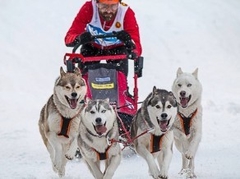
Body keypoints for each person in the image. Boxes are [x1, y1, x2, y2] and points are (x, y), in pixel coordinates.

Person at [64, 0, 142, 76]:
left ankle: (122, 87)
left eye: (113, 6)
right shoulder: (89, 8)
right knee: (85, 78)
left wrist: (129, 42)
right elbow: (69, 37)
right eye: (104, 6)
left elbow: (137, 46)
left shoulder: (126, 13)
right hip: (92, 47)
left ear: (119, 3)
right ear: (97, 3)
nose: (108, 11)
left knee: (120, 79)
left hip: (117, 49)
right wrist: (79, 38)